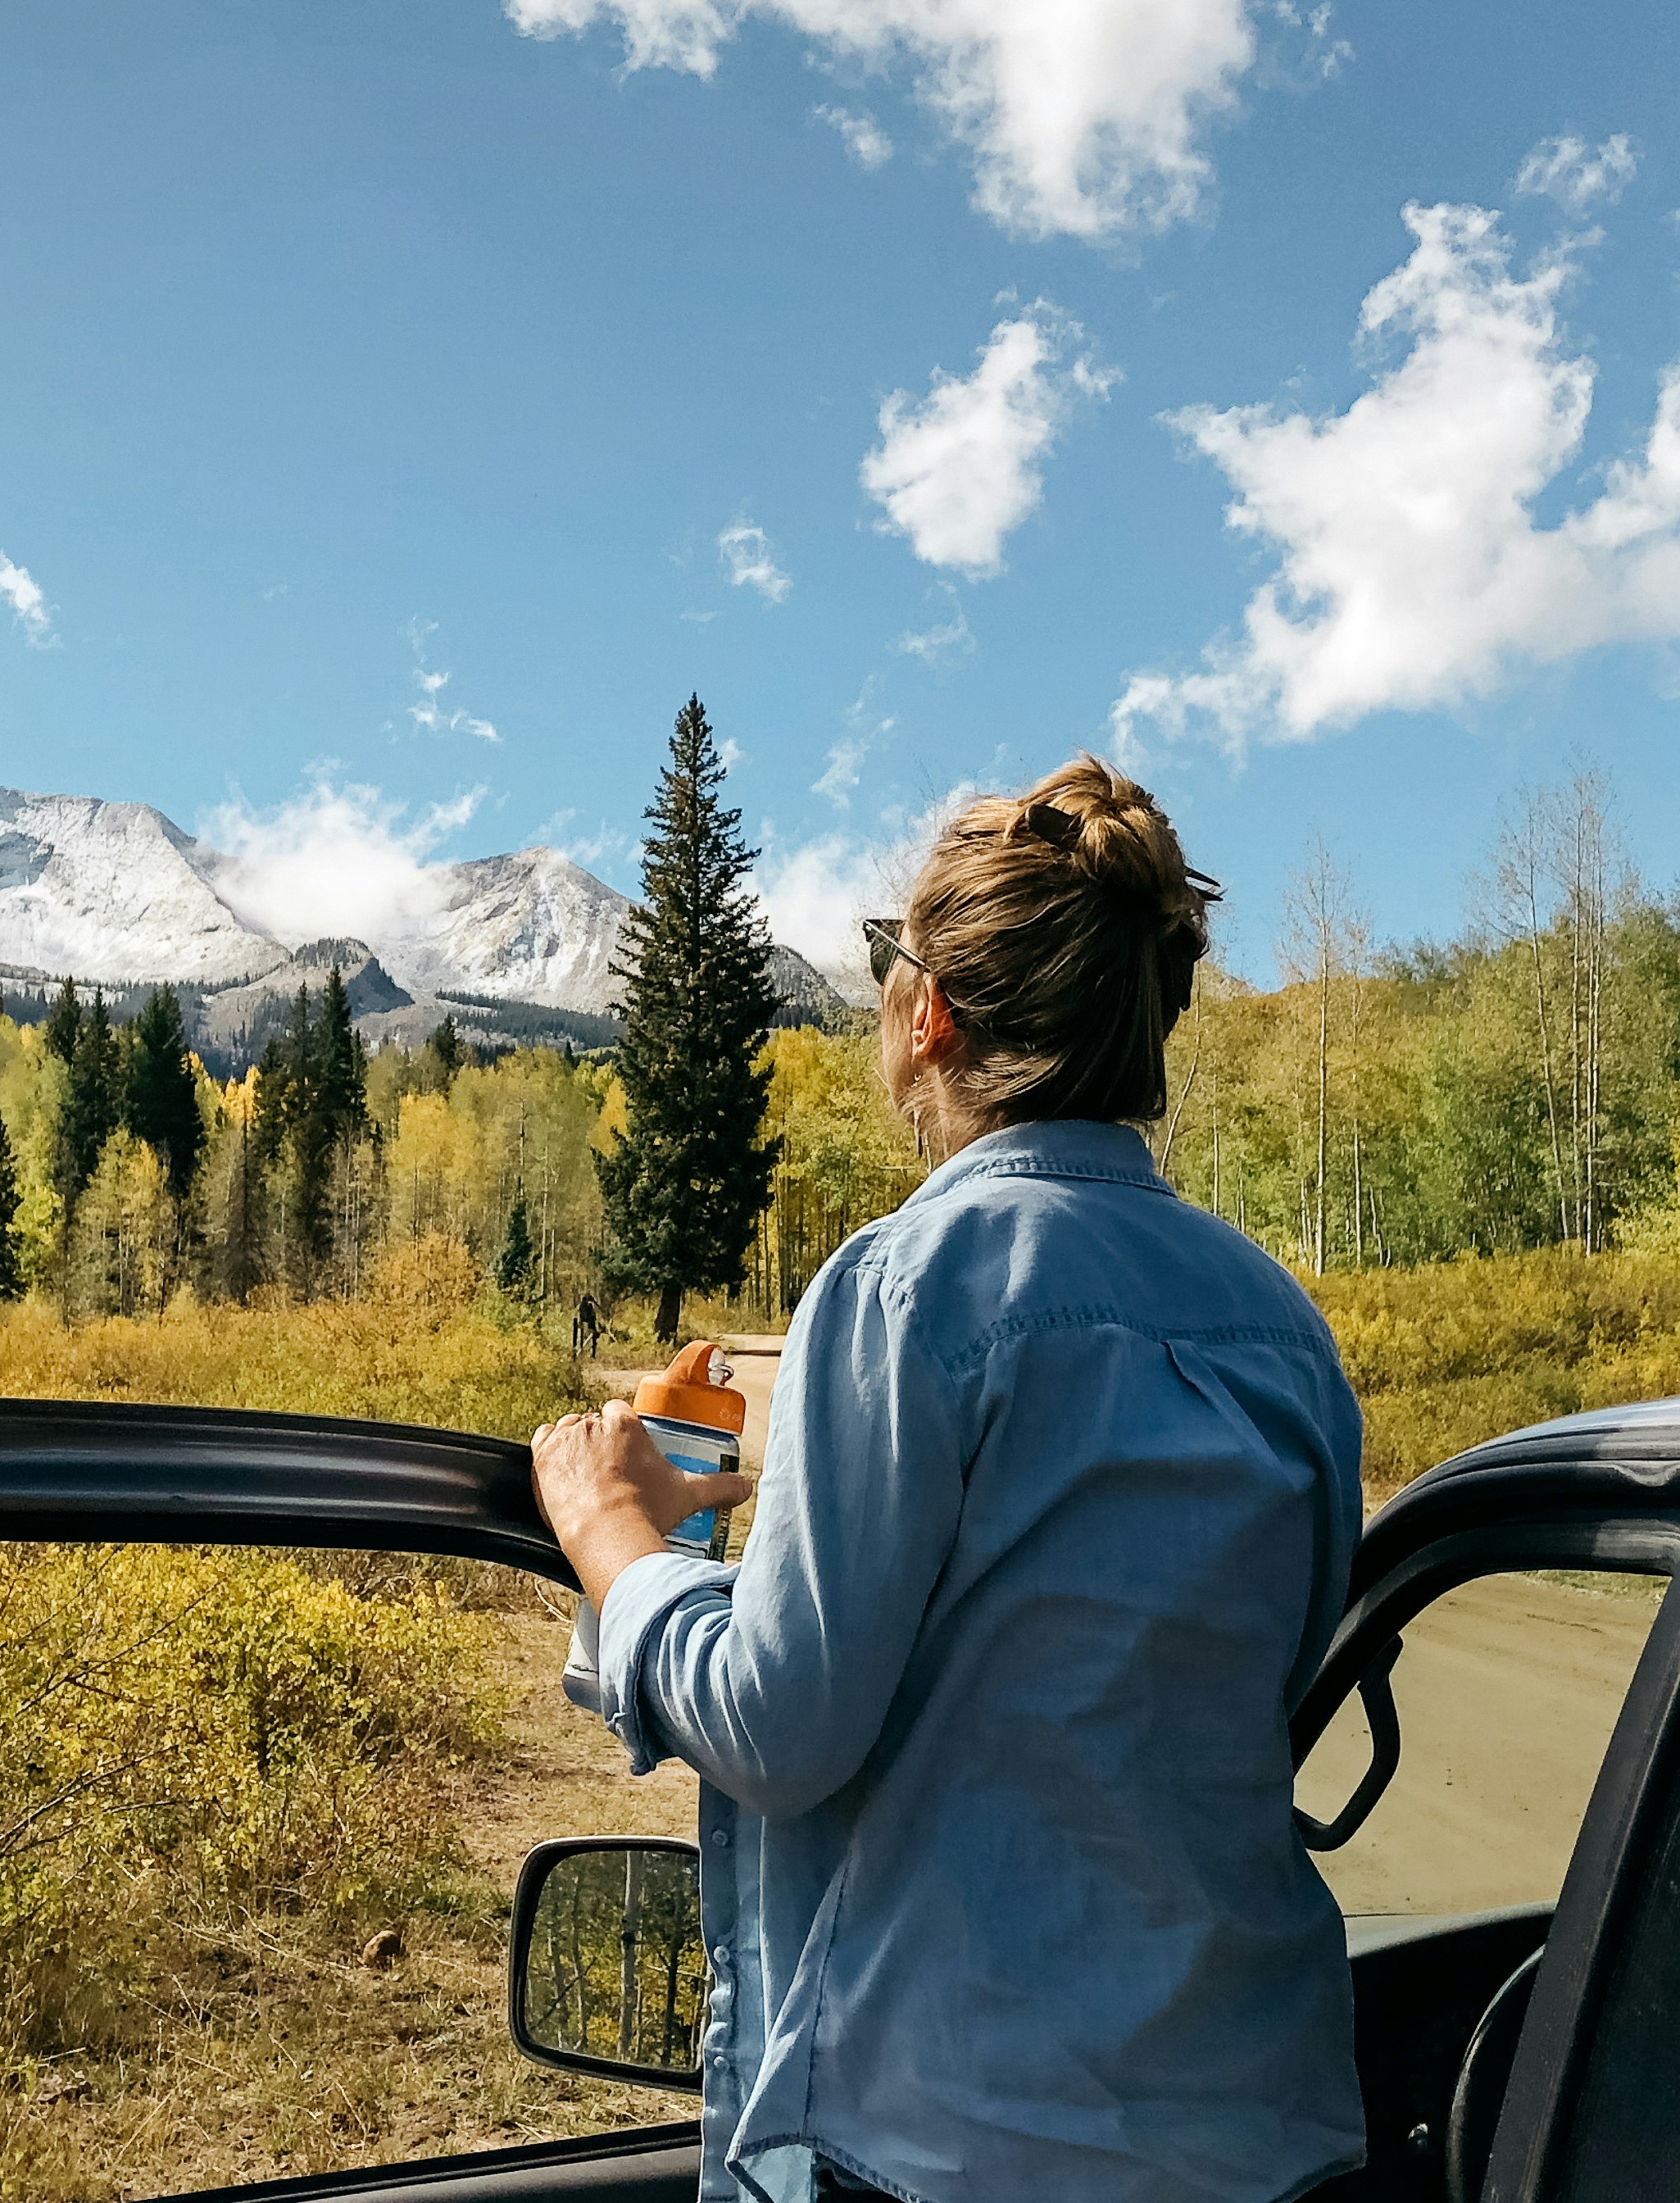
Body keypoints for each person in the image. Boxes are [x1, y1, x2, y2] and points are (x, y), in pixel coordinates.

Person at [532, 756, 1367, 2203]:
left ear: (929, 1013)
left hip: (969, 2146)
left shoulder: (905, 1287)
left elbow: (782, 1724)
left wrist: (616, 1534)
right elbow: (1241, 1705)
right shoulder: (1284, 1329)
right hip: (1269, 2132)